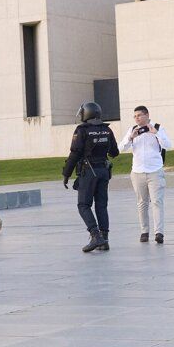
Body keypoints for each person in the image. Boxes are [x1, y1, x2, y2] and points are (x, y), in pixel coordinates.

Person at [61, 101, 119, 252]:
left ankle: (95, 236)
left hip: (89, 172)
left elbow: (75, 154)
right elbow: (114, 152)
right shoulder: (107, 130)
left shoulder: (82, 130)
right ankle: (105, 239)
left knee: (83, 205)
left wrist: (66, 174)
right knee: (101, 205)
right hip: (104, 171)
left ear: (86, 113)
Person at [125, 105, 172, 244]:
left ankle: (159, 233)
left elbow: (168, 145)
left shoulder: (157, 127)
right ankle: (144, 231)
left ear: (147, 115)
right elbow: (121, 147)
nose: (136, 118)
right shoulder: (132, 130)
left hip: (155, 171)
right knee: (142, 203)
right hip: (138, 172)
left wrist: (155, 133)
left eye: (139, 115)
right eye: (134, 116)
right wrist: (130, 137)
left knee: (157, 202)